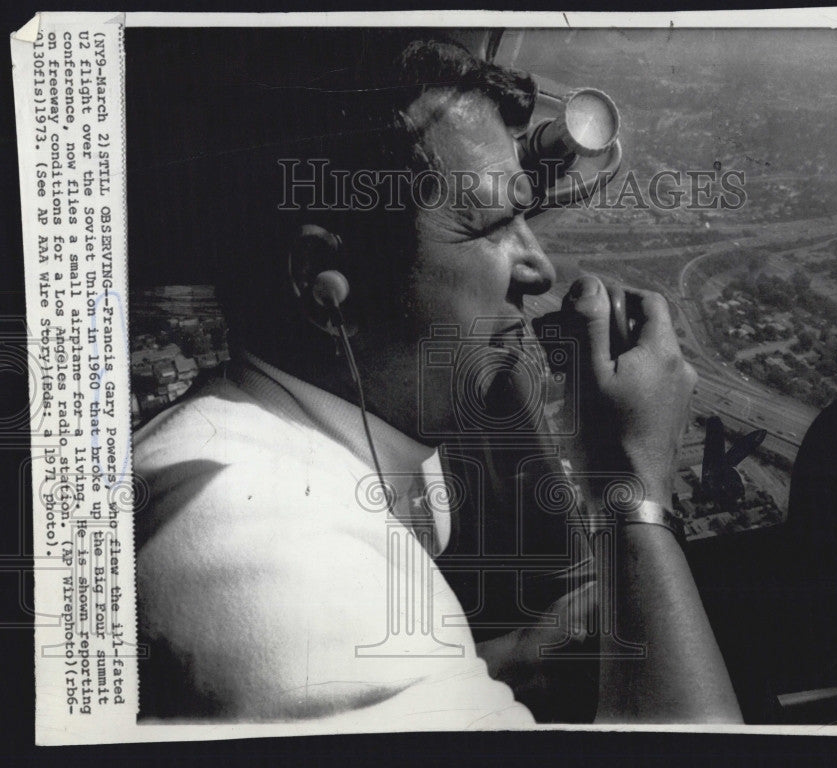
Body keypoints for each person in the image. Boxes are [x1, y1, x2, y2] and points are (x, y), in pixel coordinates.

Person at [134, 33, 742, 727]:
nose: (541, 268)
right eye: (489, 225)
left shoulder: (357, 435)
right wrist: (632, 487)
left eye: (525, 217)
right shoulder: (278, 569)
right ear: (323, 286)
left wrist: (522, 657)